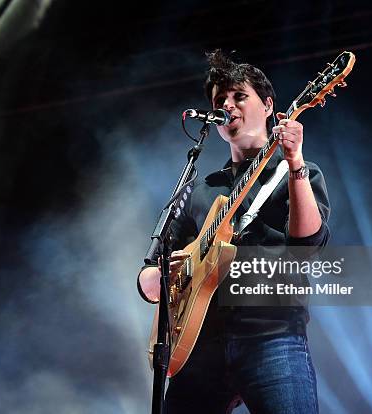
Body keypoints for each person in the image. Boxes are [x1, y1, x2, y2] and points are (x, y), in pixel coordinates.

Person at [137, 49, 330, 414]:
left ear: (269, 105)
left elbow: (308, 245)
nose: (229, 105)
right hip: (198, 346)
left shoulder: (299, 173)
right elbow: (151, 276)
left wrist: (295, 164)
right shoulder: (202, 187)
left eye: (239, 95)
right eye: (220, 100)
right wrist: (161, 275)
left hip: (272, 336)